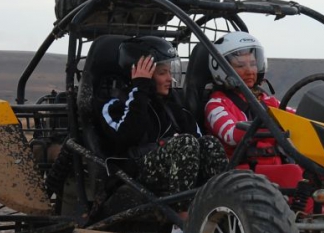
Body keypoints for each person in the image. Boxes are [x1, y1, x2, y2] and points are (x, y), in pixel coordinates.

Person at [101, 36, 227, 194]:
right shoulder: (114, 106)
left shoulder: (173, 108)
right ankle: (183, 211)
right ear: (140, 74)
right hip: (134, 174)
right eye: (162, 73)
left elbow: (198, 141)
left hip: (173, 173)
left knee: (210, 144)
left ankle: (220, 200)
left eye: (169, 71)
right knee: (186, 142)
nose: (170, 78)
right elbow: (127, 135)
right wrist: (140, 88)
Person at [203, 31, 284, 166]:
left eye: (252, 64)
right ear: (221, 69)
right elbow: (231, 135)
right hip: (240, 175)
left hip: (274, 168)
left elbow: (295, 116)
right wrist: (272, 125)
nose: (250, 71)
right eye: (240, 66)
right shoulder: (216, 105)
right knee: (293, 174)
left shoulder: (265, 100)